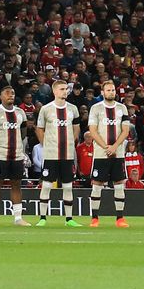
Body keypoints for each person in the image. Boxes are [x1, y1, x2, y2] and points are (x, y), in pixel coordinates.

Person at [36, 78, 82, 227]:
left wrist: (72, 141)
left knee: (68, 186)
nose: (65, 91)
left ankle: (69, 219)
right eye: (62, 89)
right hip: (51, 154)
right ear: (55, 91)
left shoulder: (72, 109)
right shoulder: (46, 109)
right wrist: (46, 144)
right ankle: (42, 218)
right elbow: (39, 129)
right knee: (47, 185)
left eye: (66, 89)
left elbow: (76, 127)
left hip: (67, 154)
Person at [0, 85, 31, 226]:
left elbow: (23, 131)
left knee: (16, 185)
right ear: (1, 96)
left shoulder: (20, 112)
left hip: (17, 155)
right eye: (7, 93)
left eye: (13, 93)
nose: (11, 95)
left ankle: (18, 218)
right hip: (0, 154)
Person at [88, 79, 132, 228]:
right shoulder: (96, 108)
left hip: (118, 153)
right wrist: (106, 147)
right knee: (97, 184)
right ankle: (95, 218)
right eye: (108, 90)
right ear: (102, 92)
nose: (111, 92)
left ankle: (120, 218)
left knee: (119, 184)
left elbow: (125, 130)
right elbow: (92, 130)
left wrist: (114, 147)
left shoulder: (122, 108)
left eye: (113, 90)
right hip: (101, 153)